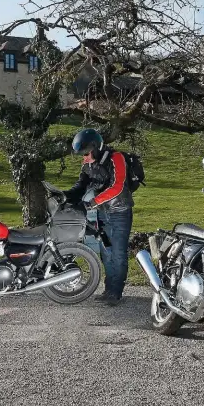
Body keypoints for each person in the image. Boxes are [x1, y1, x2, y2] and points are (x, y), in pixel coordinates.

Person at [64, 128, 134, 306]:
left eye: (86, 154)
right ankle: (109, 289)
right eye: (82, 155)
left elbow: (117, 186)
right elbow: (80, 186)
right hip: (103, 213)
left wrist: (92, 202)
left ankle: (116, 293)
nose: (84, 158)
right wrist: (65, 196)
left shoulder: (115, 158)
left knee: (118, 253)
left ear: (95, 148)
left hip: (120, 213)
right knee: (106, 251)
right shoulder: (87, 164)